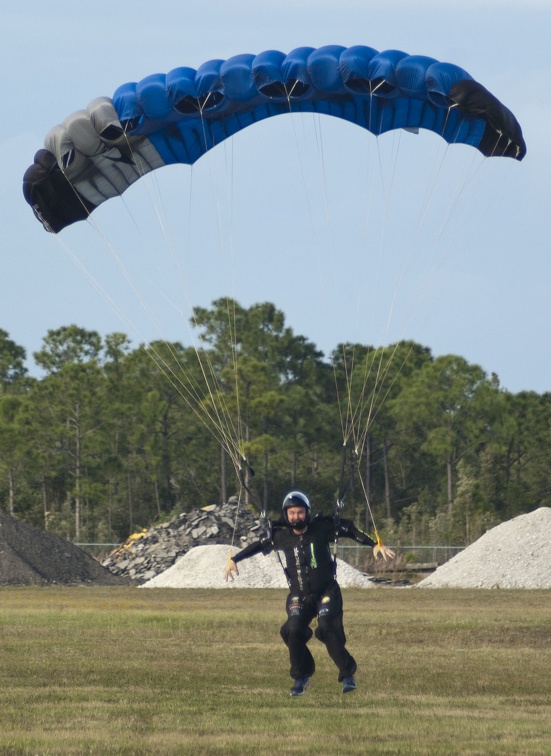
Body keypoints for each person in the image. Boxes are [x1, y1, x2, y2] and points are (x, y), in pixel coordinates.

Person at [224, 490, 395, 696]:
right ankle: (301, 676)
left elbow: (351, 530)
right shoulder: (280, 535)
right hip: (299, 595)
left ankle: (347, 675)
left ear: (307, 512)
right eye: (292, 513)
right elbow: (257, 546)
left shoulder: (321, 528)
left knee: (327, 627)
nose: (296, 517)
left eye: (300, 512)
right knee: (292, 629)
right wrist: (235, 559)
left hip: (326, 591)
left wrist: (374, 544)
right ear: (286, 515)